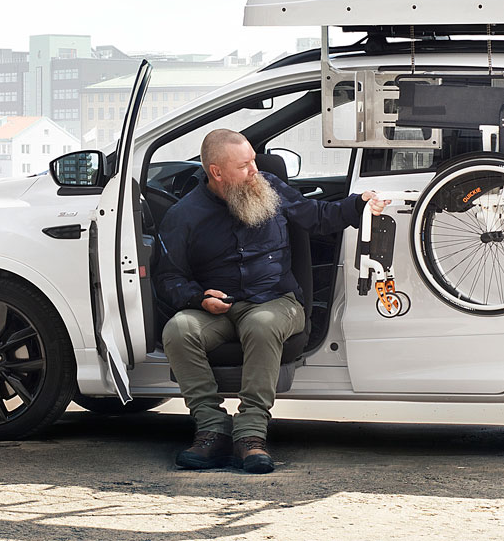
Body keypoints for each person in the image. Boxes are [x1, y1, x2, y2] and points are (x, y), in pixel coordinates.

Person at [156, 129, 387, 473]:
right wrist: (198, 298)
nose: (254, 170)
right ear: (216, 172)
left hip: (277, 301)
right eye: (245, 165)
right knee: (178, 329)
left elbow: (318, 216)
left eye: (253, 160)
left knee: (262, 325)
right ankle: (211, 428)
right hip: (221, 308)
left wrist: (359, 205)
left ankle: (250, 434)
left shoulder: (269, 187)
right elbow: (168, 278)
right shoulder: (183, 215)